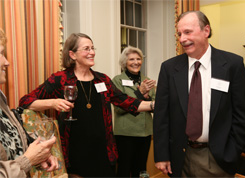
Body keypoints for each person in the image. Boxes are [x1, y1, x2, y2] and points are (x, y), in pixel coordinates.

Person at [19, 33, 153, 177]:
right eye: (86, 49)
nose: (92, 52)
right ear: (72, 54)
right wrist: (53, 103)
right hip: (75, 152)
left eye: (93, 48)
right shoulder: (60, 79)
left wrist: (155, 105)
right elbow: (25, 101)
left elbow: (128, 102)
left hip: (104, 152)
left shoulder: (102, 80)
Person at [153, 11, 245, 177]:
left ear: (206, 30)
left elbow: (242, 115)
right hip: (180, 158)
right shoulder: (169, 68)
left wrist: (232, 151)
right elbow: (162, 117)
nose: (182, 39)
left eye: (188, 32)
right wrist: (162, 155)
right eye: (179, 33)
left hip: (218, 158)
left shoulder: (232, 65)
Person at [0, 28, 58, 177]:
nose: (6, 62)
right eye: (1, 53)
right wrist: (27, 160)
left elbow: (12, 137)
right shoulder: (59, 78)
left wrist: (39, 156)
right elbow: (25, 101)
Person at [112, 46, 156, 177]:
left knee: (141, 169)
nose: (136, 62)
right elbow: (119, 108)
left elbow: (155, 104)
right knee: (124, 169)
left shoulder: (147, 80)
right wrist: (139, 93)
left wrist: (147, 97)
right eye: (131, 59)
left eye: (138, 59)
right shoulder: (117, 80)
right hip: (126, 133)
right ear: (124, 62)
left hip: (145, 132)